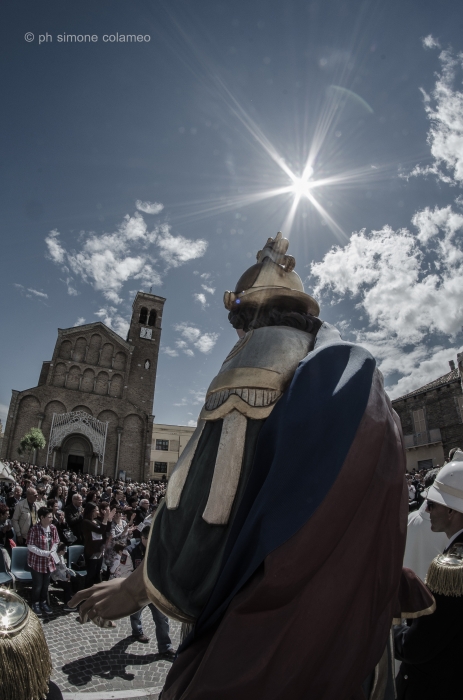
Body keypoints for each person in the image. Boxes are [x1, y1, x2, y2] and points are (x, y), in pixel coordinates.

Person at [70, 232, 407, 699]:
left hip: (269, 626)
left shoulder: (260, 356)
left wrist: (136, 587)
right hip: (357, 629)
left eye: (239, 323)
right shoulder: (360, 376)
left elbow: (206, 494)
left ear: (246, 316)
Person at [395, 450, 463, 699]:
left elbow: (420, 644)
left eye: (432, 504)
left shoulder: (452, 567)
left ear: (451, 512)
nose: (427, 509)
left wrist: (391, 633)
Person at [128, 526, 175, 655]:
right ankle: (137, 632)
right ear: (143, 538)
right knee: (135, 614)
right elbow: (125, 571)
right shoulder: (131, 551)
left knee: (162, 619)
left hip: (154, 591)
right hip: (138, 591)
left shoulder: (159, 550)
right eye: (150, 539)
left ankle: (165, 646)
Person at [26, 506, 60, 616]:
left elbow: (56, 541)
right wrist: (45, 553)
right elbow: (31, 546)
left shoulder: (53, 528)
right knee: (38, 585)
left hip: (49, 562)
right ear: (42, 517)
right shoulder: (34, 529)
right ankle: (35, 603)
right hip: (37, 562)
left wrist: (52, 550)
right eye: (49, 517)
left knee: (46, 584)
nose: (52, 519)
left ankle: (43, 601)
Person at [82, 502, 114, 587]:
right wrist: (105, 518)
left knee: (97, 572)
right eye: (96, 510)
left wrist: (109, 519)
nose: (98, 512)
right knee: (91, 573)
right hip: (91, 551)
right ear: (91, 511)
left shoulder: (97, 521)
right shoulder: (86, 522)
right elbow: (99, 531)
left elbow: (106, 530)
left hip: (99, 550)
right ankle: (86, 593)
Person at [51, 542, 77, 612]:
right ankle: (67, 604)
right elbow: (57, 572)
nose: (65, 551)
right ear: (61, 550)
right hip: (57, 577)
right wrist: (65, 579)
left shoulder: (61, 556)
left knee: (75, 580)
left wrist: (68, 573)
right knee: (67, 587)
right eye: (64, 550)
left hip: (64, 575)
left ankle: (72, 597)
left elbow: (64, 567)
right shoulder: (55, 559)